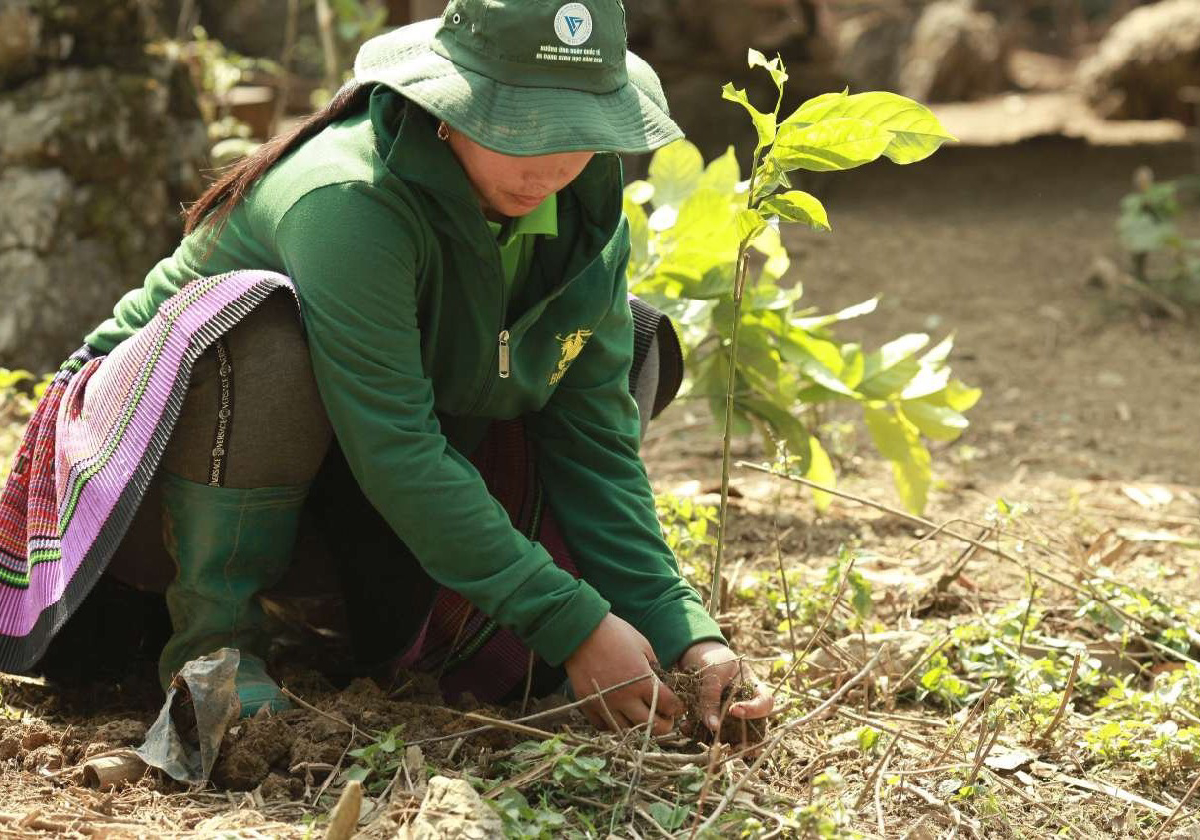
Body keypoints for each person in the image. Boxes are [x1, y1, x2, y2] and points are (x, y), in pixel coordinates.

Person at [0, 0, 772, 737]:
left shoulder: (583, 220)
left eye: (576, 131)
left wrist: (688, 638)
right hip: (131, 496)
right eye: (520, 126)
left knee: (634, 339)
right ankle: (214, 650)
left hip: (338, 499)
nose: (550, 163)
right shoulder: (348, 200)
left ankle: (420, 633)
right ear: (449, 105)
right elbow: (397, 447)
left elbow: (595, 453)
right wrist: (567, 618)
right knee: (264, 326)